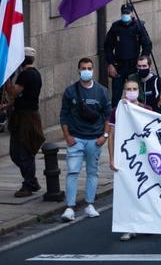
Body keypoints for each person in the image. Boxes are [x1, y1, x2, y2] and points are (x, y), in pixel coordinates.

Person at [60, 58, 112, 222]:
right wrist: (67, 136)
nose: (86, 71)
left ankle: (90, 204)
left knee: (92, 172)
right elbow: (64, 115)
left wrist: (104, 136)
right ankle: (70, 207)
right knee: (73, 172)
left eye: (89, 68)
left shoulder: (102, 91)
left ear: (93, 70)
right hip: (76, 139)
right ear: (78, 70)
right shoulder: (70, 91)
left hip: (94, 140)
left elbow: (108, 116)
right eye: (83, 68)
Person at [107, 80, 153, 241]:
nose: (131, 91)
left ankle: (147, 223)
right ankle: (128, 226)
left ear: (138, 91)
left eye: (134, 89)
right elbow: (111, 135)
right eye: (128, 89)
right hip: (125, 157)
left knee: (146, 191)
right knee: (126, 192)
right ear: (124, 92)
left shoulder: (146, 110)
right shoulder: (116, 112)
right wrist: (112, 158)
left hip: (143, 157)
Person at [2, 47, 44, 197]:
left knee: (22, 153)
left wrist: (6, 77)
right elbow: (24, 97)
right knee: (20, 152)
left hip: (26, 119)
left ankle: (29, 183)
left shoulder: (26, 75)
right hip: (26, 116)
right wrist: (8, 105)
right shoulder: (35, 74)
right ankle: (31, 180)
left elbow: (13, 92)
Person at [104, 3, 152, 107]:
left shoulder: (138, 26)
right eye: (123, 13)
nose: (125, 14)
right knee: (116, 97)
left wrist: (142, 62)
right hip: (119, 67)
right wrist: (110, 64)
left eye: (127, 12)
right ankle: (115, 118)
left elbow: (147, 45)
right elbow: (107, 47)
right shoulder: (115, 27)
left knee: (136, 94)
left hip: (134, 66)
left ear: (132, 13)